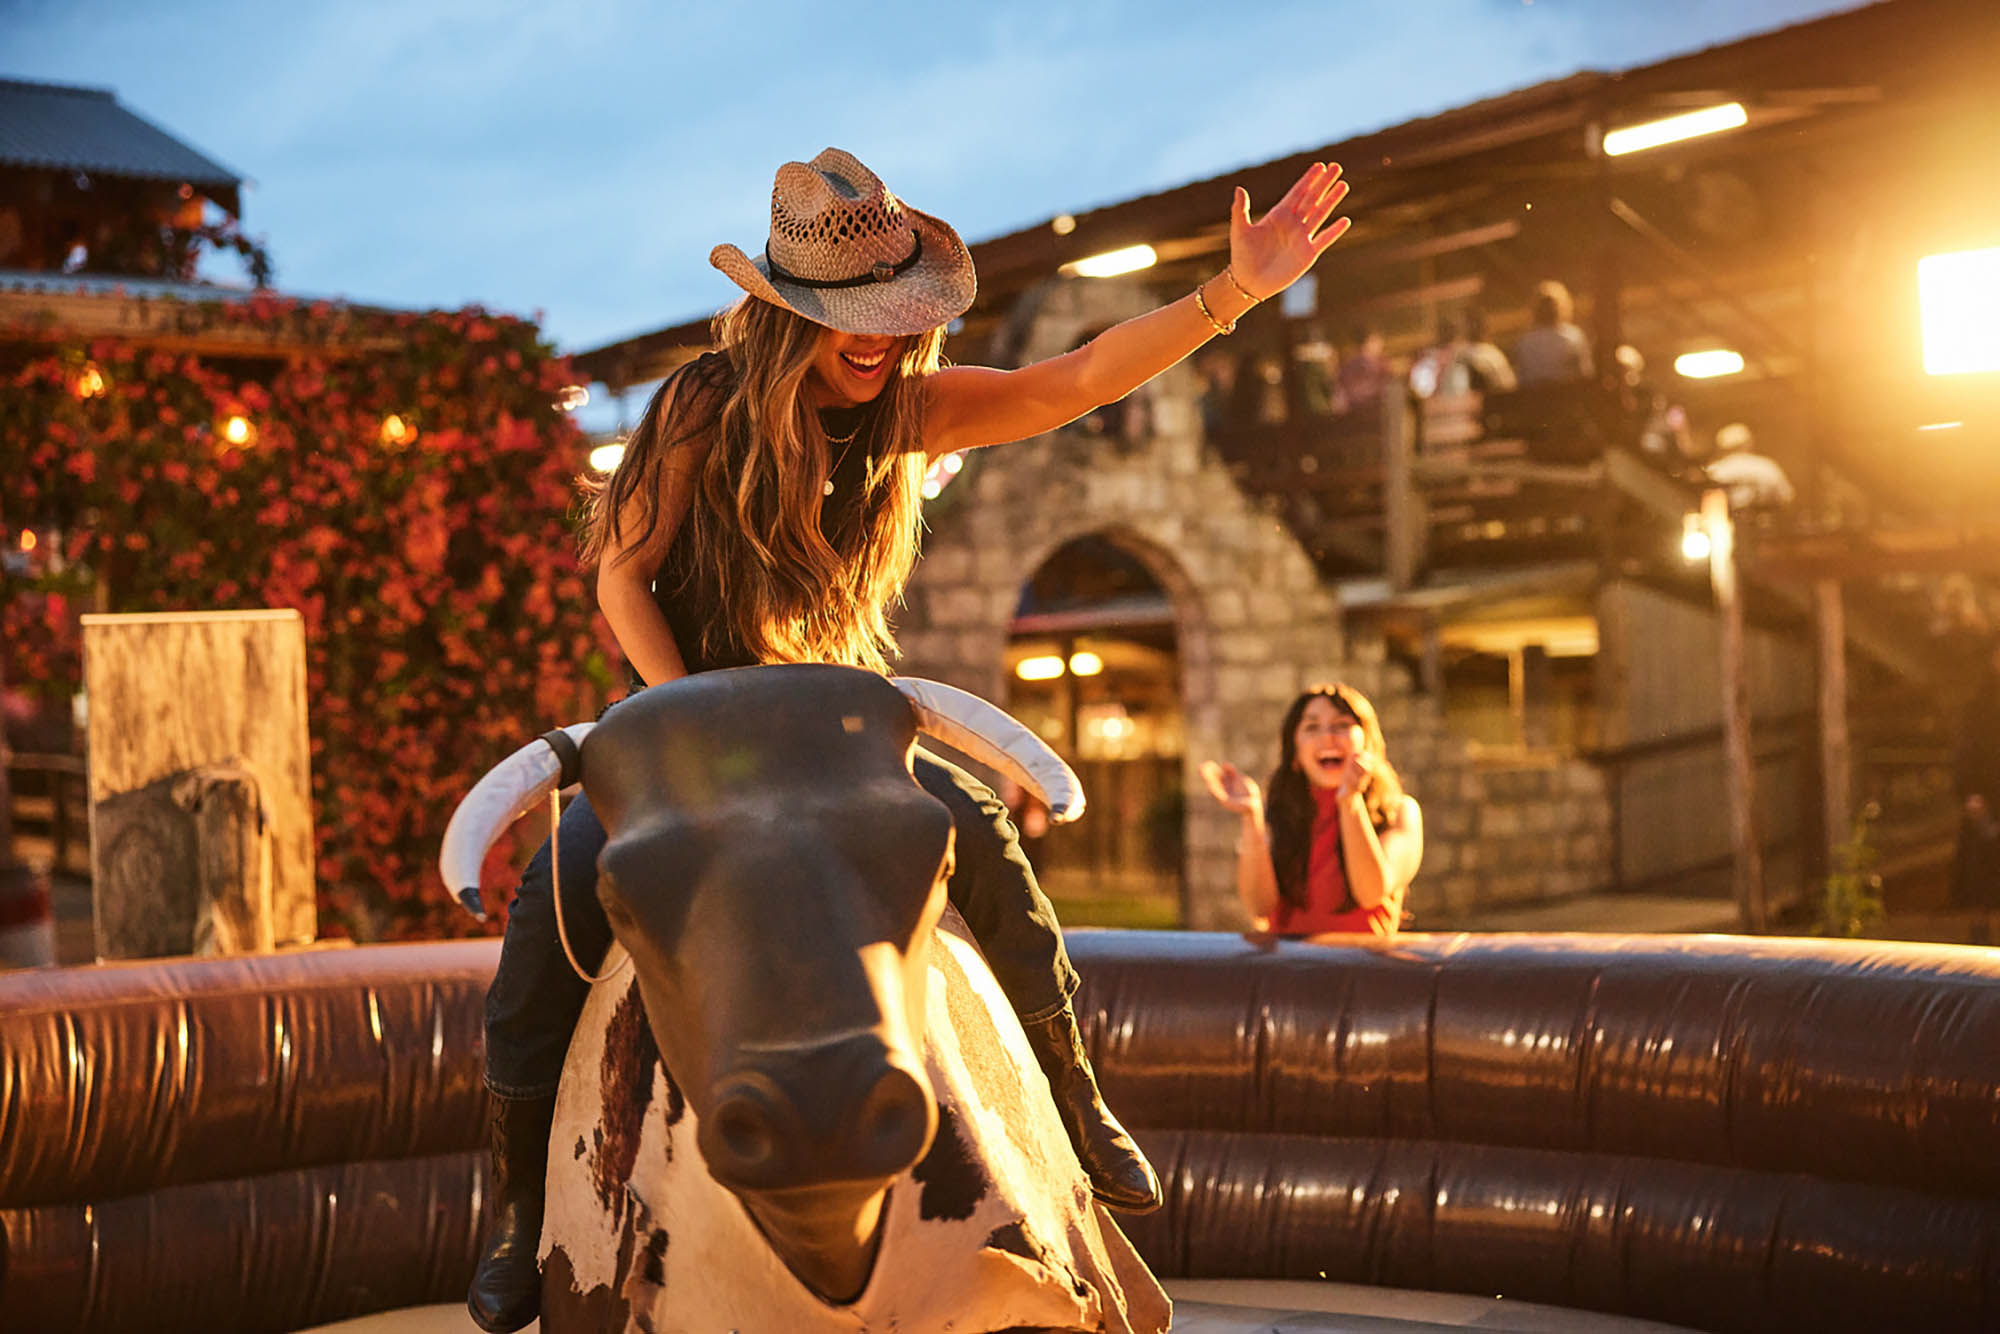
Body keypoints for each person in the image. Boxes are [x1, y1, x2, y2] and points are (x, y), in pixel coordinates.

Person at [467, 147, 1355, 1331]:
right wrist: (682, 707)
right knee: (556, 905)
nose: (878, 336)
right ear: (792, 314)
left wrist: (1231, 292)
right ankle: (520, 1211)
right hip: (683, 728)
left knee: (980, 833)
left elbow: (1071, 381)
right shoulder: (700, 403)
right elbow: (621, 576)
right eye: (851, 317)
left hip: (824, 721)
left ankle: (1074, 1110)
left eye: (892, 312)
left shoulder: (901, 410)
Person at [1199, 683, 1422, 937]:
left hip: (1363, 971)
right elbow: (1259, 906)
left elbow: (1371, 892)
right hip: (1291, 971)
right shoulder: (1277, 816)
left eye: (1341, 725)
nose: (1327, 737)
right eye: (1312, 727)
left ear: (1368, 744)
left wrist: (1350, 799)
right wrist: (1251, 816)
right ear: (1294, 755)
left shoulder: (1401, 812)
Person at [1513, 280, 1593, 386]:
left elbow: (1520, 379)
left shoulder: (1524, 341)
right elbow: (1586, 374)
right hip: (1568, 397)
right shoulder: (1574, 337)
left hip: (1534, 399)